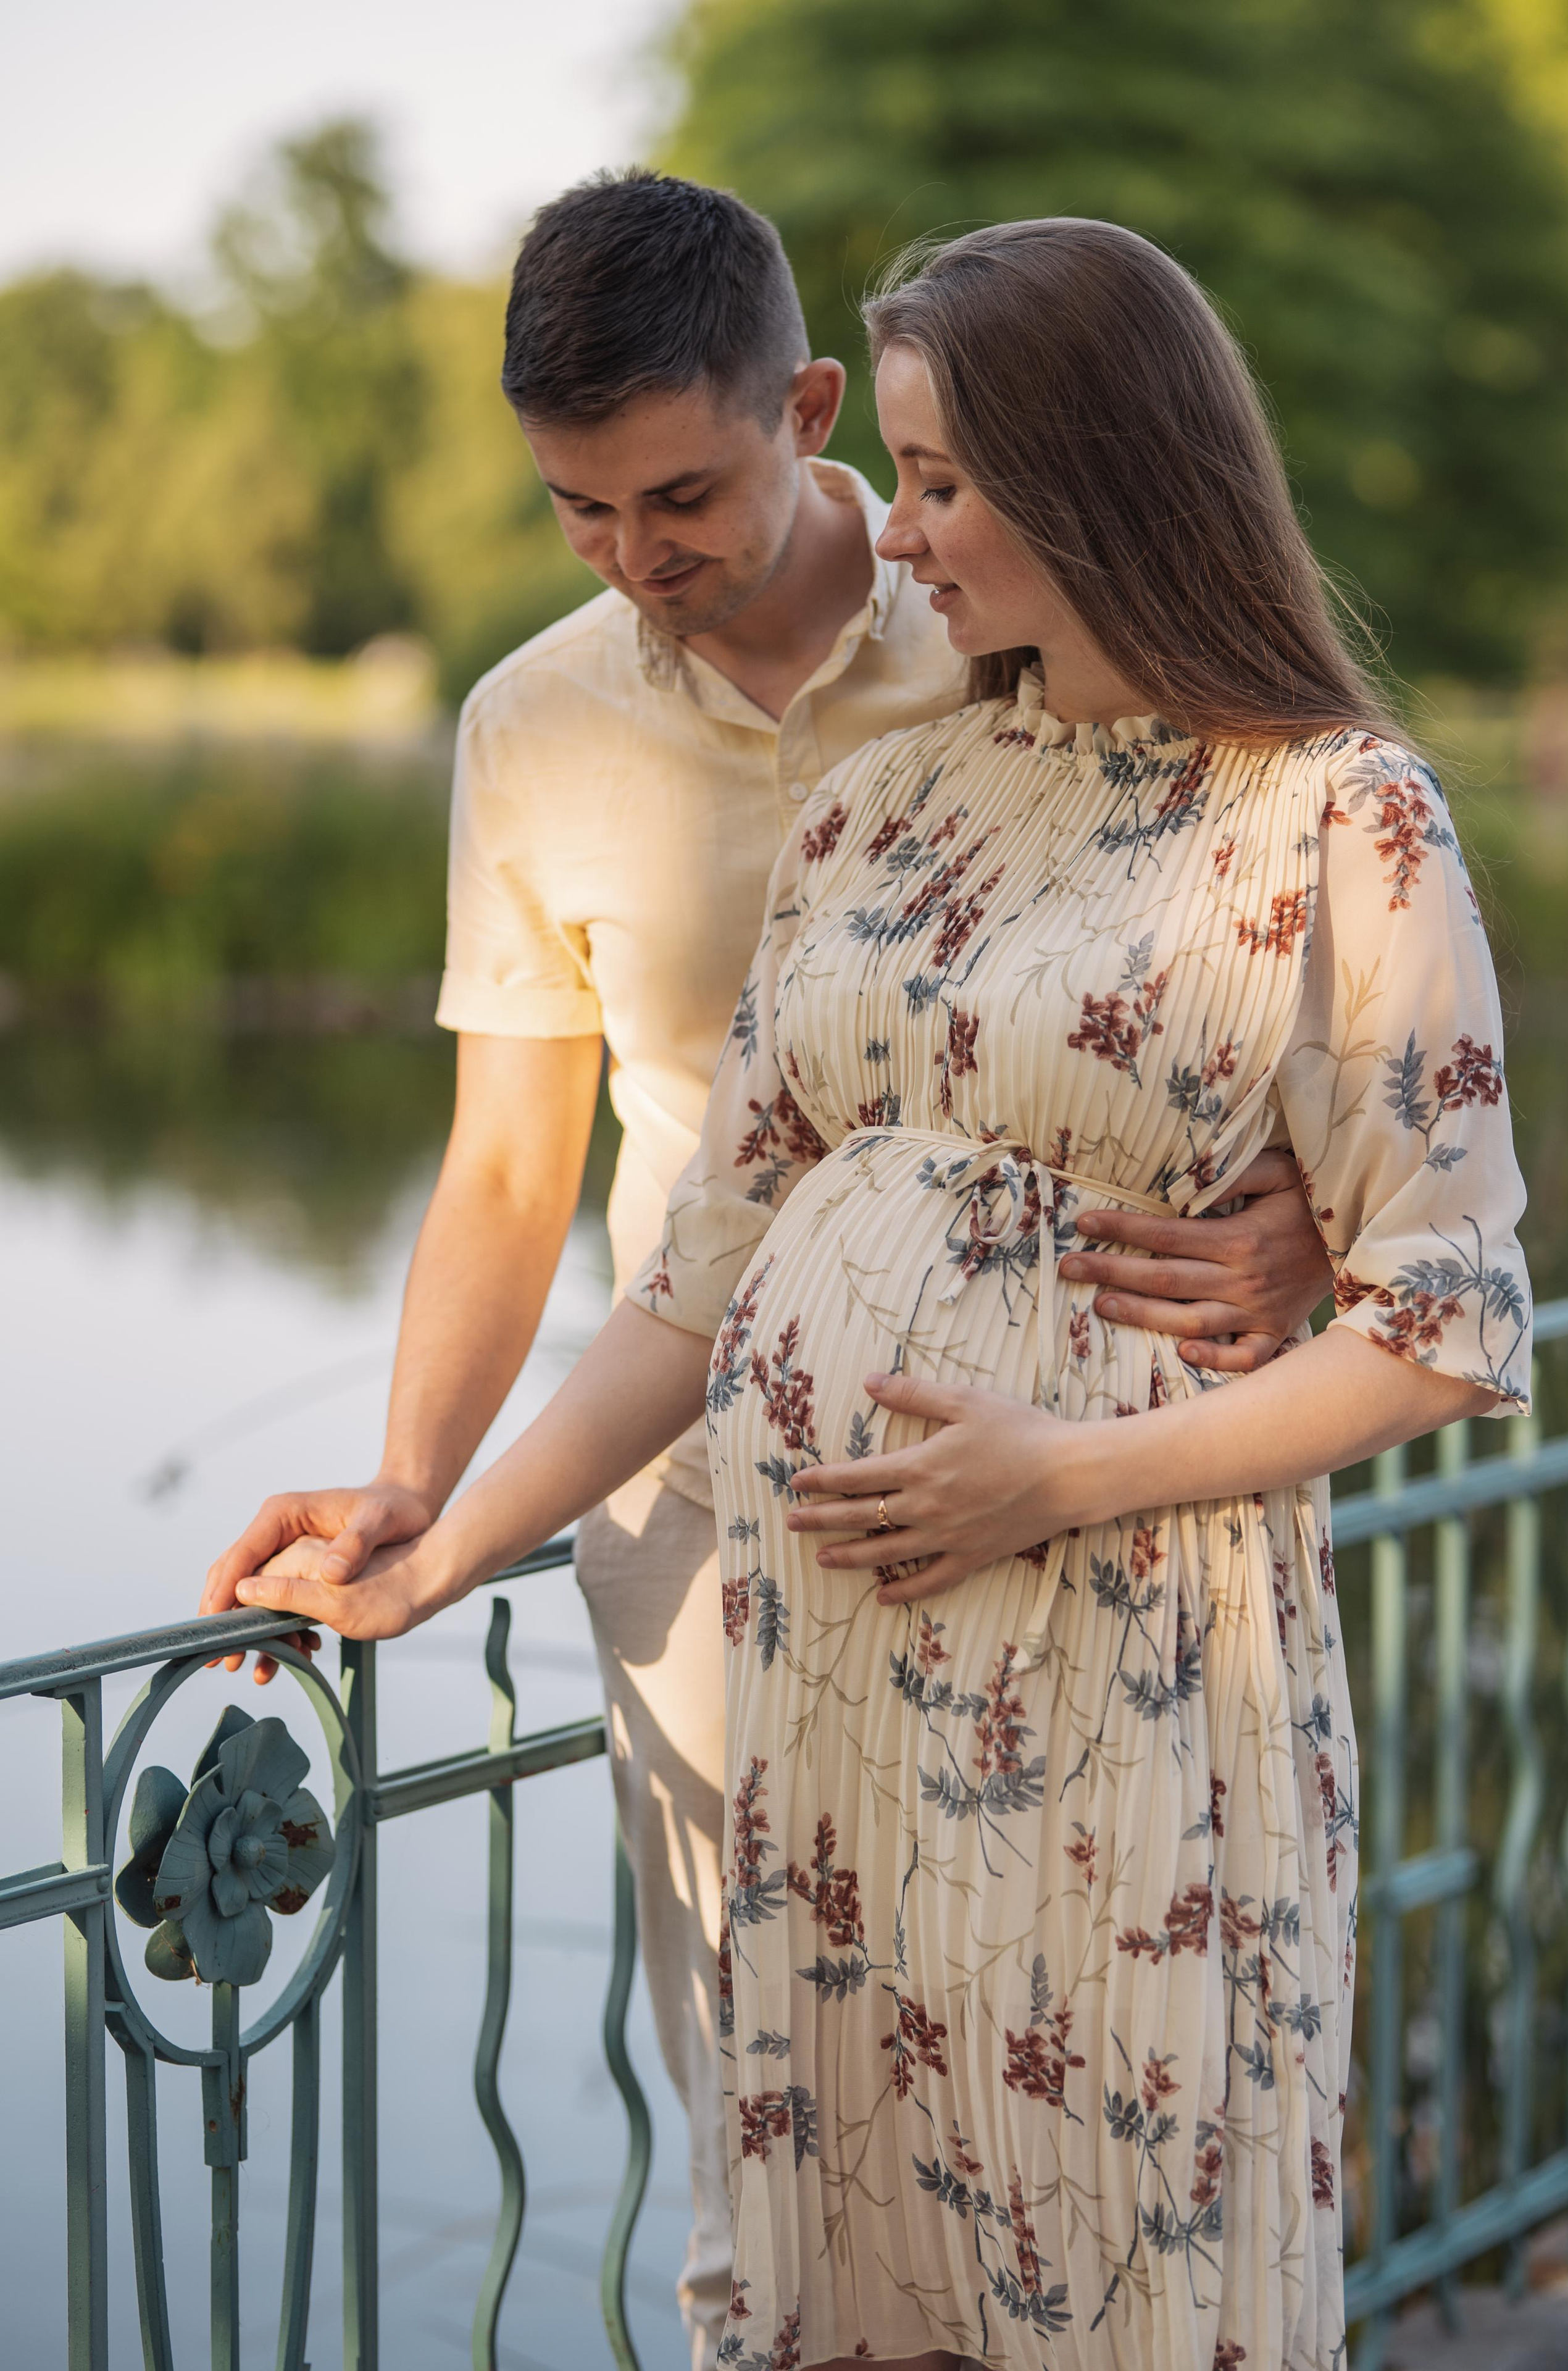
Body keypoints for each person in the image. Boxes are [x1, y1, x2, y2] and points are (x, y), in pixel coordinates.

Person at [206, 192, 1361, 2369]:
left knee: (1082, 2105)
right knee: (786, 2112)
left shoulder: (1012, 596)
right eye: (577, 511)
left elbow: (1264, 965)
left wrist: (1306, 1206)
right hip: (690, 1477)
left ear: (807, 410)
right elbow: (505, 1169)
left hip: (1087, 1485)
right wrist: (421, 1505)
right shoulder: (533, 731)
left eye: (681, 495)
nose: (635, 554)